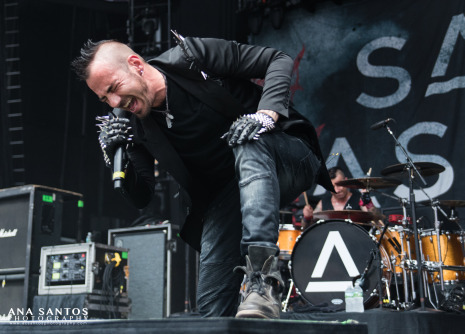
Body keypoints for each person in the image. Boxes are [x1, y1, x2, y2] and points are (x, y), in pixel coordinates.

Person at [71, 33, 334, 319]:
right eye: (104, 98)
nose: (115, 102)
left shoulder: (191, 57)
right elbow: (142, 196)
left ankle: (263, 281)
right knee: (211, 312)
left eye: (114, 88)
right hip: (228, 194)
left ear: (136, 64)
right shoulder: (133, 123)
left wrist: (265, 115)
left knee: (245, 141)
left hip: (286, 155)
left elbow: (277, 59)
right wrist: (114, 155)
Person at [302, 167, 377, 229]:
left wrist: (368, 202)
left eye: (339, 184)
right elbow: (306, 228)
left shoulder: (358, 198)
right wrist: (307, 218)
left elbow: (376, 219)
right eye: (332, 187)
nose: (336, 190)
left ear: (346, 180)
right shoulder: (323, 202)